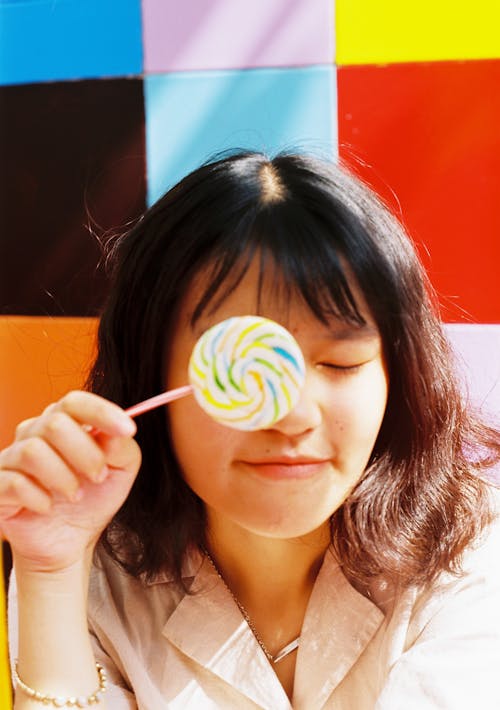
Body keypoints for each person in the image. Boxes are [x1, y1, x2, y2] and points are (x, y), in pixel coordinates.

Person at [2, 151, 500, 709]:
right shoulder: (86, 553)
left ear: (396, 376)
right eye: (239, 368)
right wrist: (52, 571)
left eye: (340, 363)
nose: (291, 416)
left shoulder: (476, 548)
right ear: (152, 369)